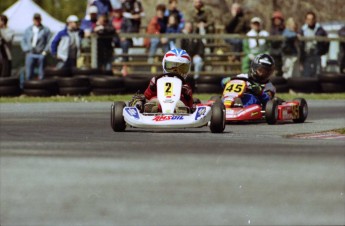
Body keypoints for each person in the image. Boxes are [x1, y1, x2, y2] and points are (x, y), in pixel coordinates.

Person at [129, 48, 193, 114]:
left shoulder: (185, 85)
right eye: (172, 67)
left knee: (181, 103)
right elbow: (147, 96)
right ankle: (151, 108)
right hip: (159, 101)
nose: (176, 71)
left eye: (181, 68)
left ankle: (181, 110)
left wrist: (187, 94)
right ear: (164, 64)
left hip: (178, 102)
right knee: (154, 100)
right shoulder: (158, 80)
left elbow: (190, 104)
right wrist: (152, 87)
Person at [21, 13, 51, 80]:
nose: (37, 21)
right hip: (30, 53)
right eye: (35, 19)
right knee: (28, 73)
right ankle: (28, 85)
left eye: (38, 19)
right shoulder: (28, 29)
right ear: (33, 20)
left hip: (40, 53)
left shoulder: (45, 30)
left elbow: (48, 42)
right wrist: (26, 49)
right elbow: (23, 40)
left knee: (41, 73)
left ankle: (41, 86)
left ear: (41, 20)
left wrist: (45, 51)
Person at [299, 11, 329, 77]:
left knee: (317, 74)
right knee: (307, 74)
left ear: (315, 19)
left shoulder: (319, 29)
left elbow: (326, 40)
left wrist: (322, 51)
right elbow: (300, 45)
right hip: (307, 55)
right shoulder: (303, 29)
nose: (310, 21)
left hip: (317, 54)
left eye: (312, 19)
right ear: (306, 20)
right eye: (308, 19)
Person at [120, 0, 145, 75]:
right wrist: (132, 16)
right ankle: (124, 66)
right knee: (125, 44)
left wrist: (138, 16)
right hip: (127, 32)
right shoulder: (124, 4)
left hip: (136, 31)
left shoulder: (138, 3)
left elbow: (143, 13)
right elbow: (123, 14)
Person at [269, 11, 285, 77]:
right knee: (274, 71)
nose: (277, 21)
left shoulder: (284, 29)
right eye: (275, 19)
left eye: (278, 19)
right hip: (274, 53)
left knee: (283, 71)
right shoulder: (272, 30)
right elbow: (273, 41)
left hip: (282, 53)